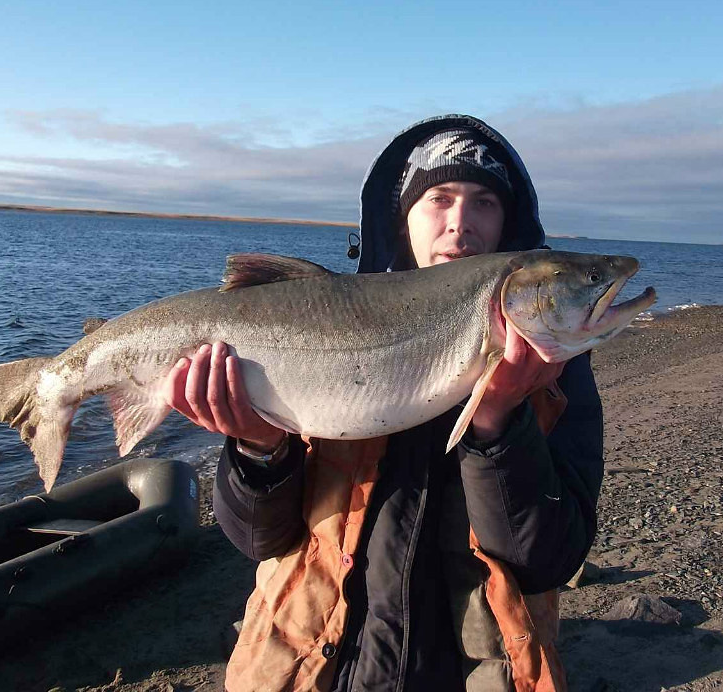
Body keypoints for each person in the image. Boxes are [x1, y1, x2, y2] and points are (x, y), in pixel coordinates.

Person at [165, 115, 604, 692]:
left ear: (509, 225)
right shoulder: (319, 334)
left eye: (484, 203)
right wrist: (258, 447)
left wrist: (499, 423)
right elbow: (258, 542)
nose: (460, 224)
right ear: (404, 219)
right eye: (438, 199)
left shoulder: (557, 375)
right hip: (311, 672)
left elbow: (552, 559)